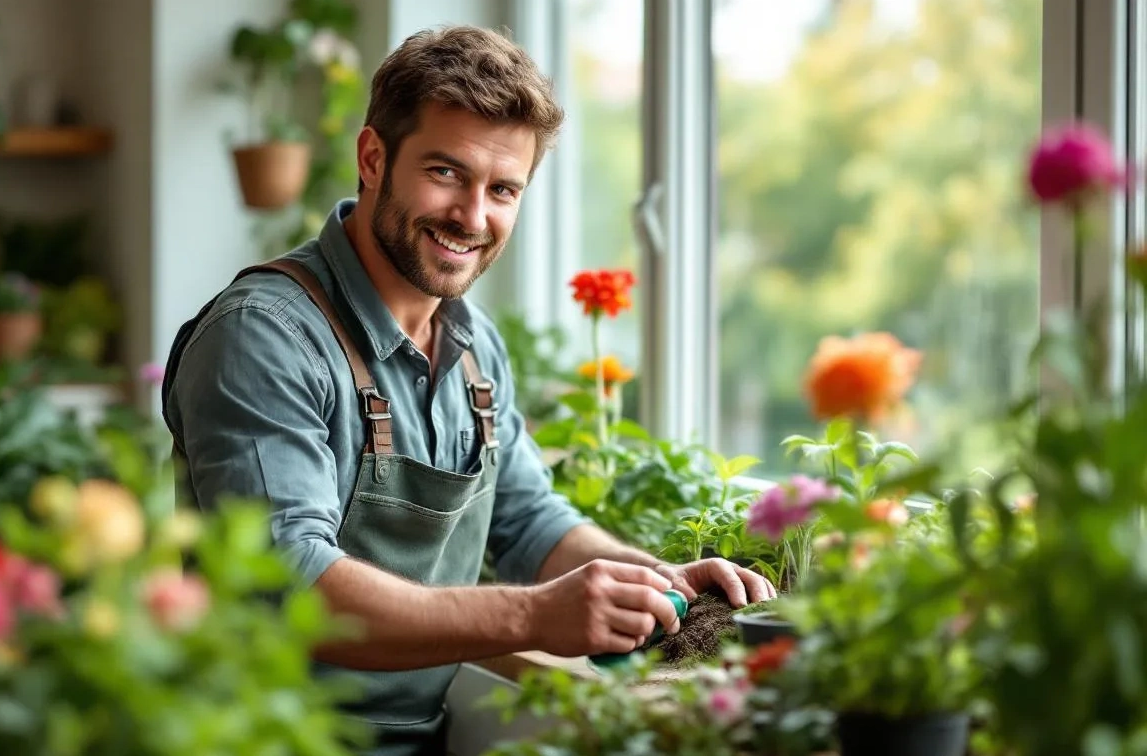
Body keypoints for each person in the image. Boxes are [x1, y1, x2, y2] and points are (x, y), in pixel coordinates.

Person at [161, 24, 775, 756]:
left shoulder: (475, 347)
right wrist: (530, 618)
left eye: (503, 189)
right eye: (446, 173)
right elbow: (289, 584)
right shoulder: (263, 335)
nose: (472, 217)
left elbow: (527, 523)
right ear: (372, 158)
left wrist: (654, 579)